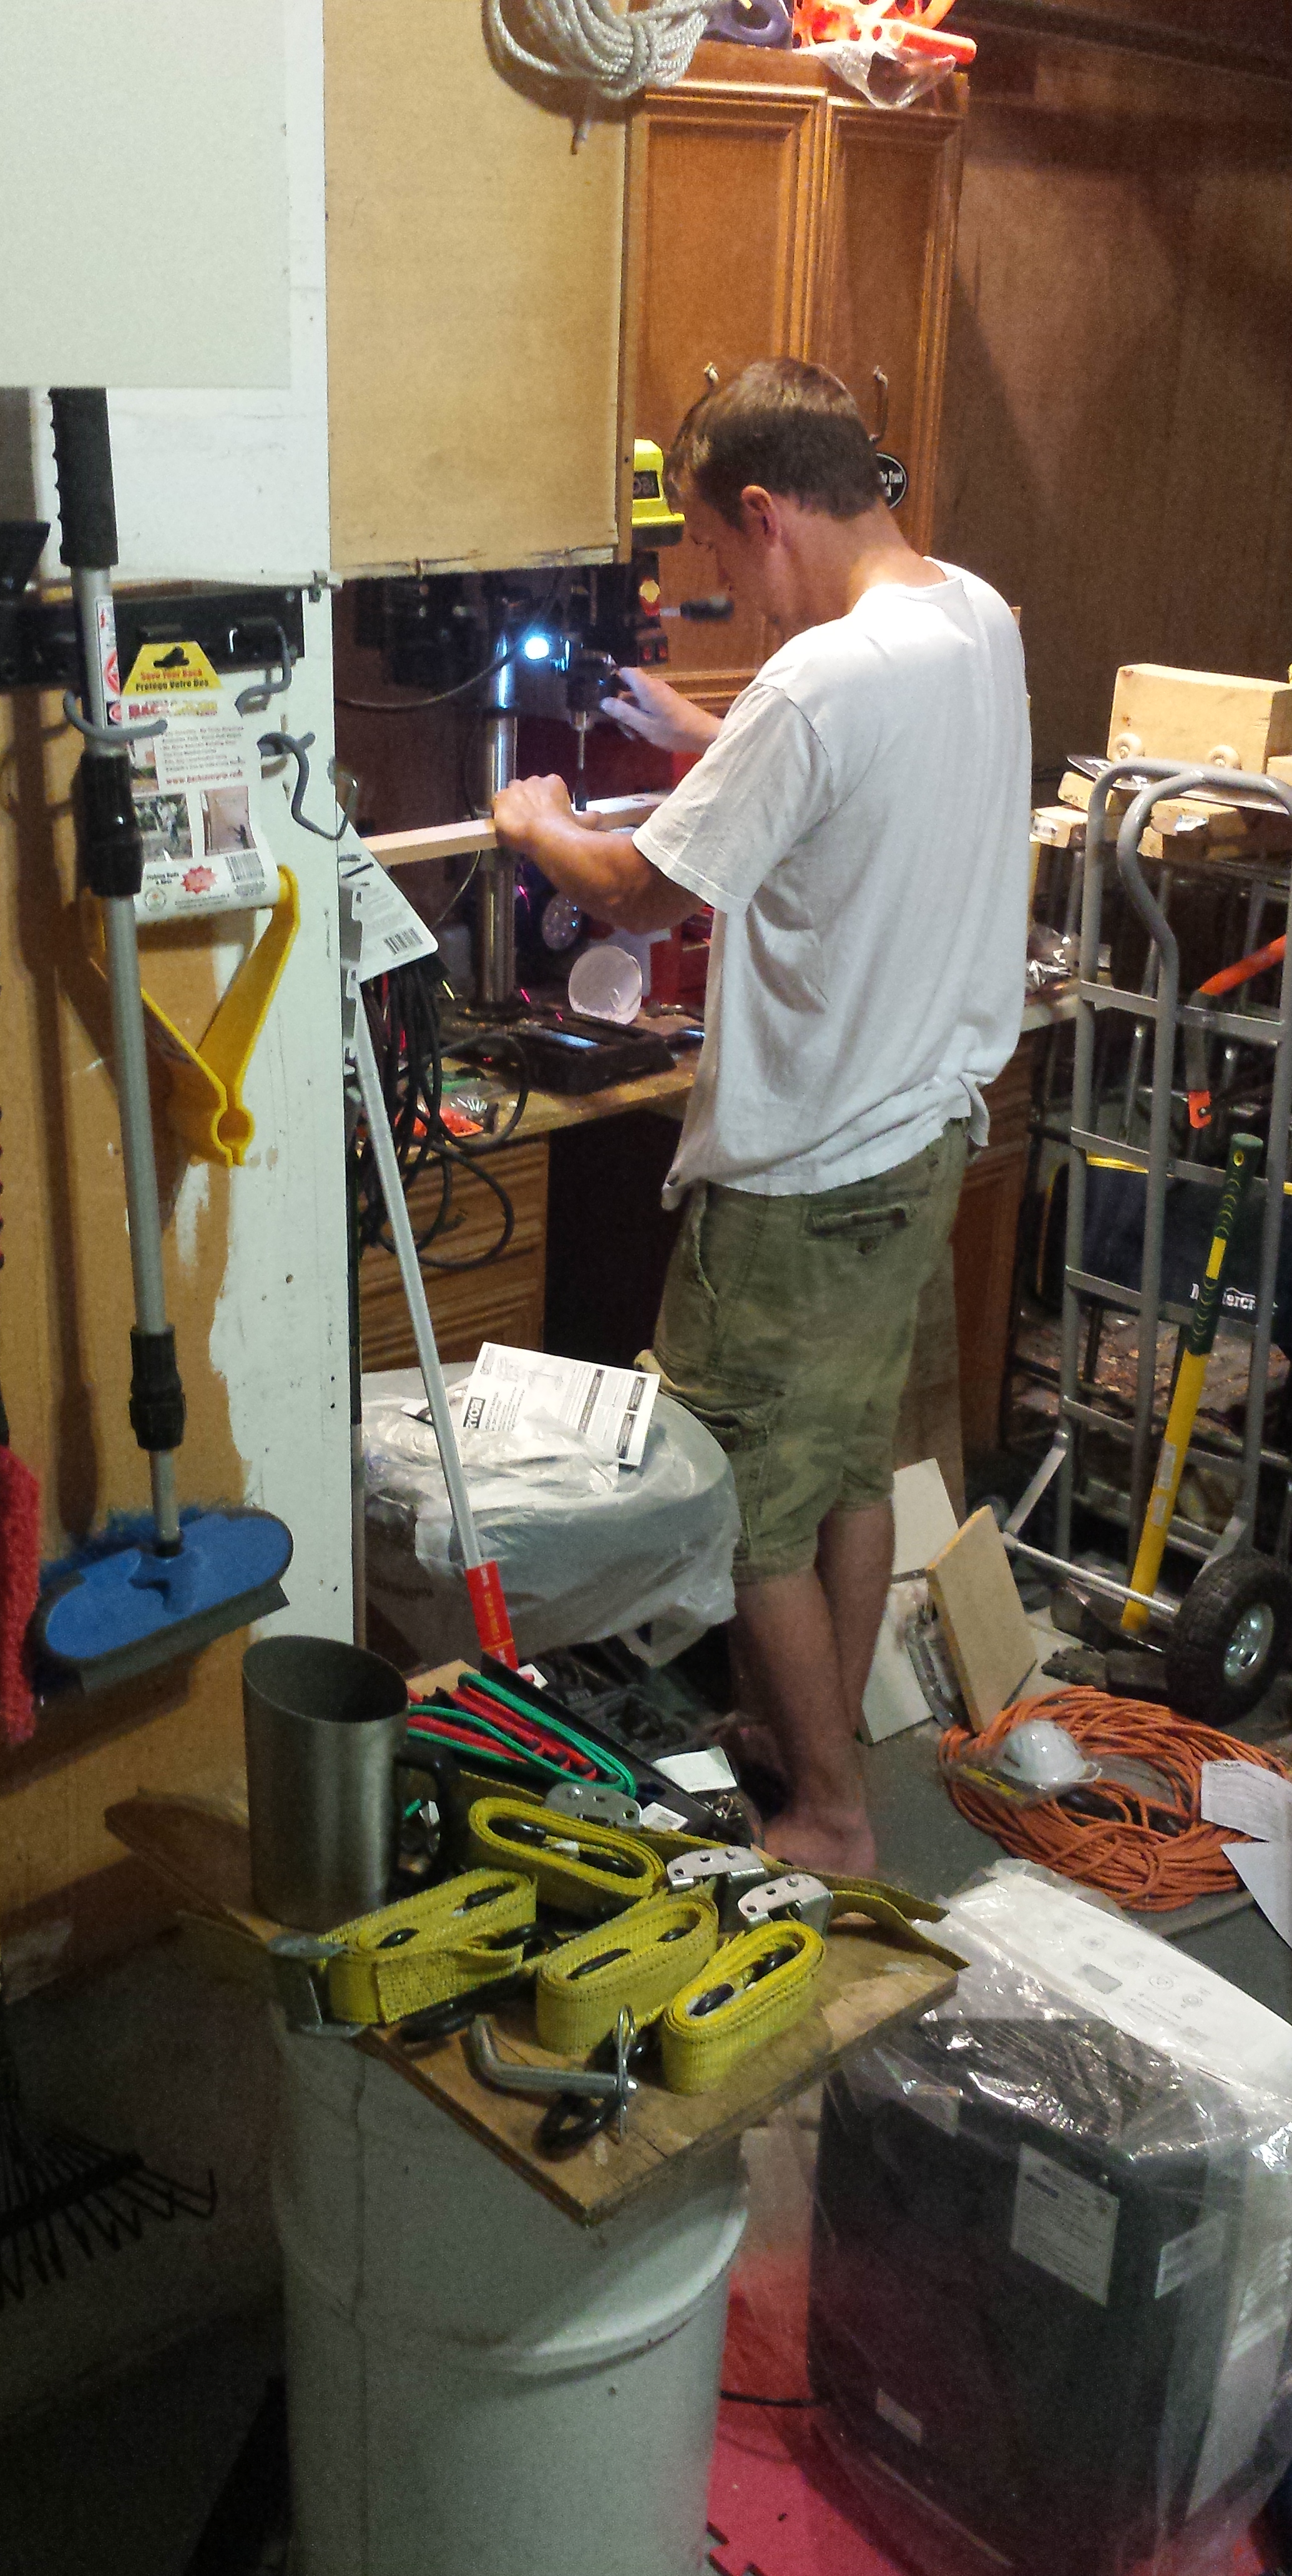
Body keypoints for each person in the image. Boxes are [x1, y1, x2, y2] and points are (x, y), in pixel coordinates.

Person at [492, 358, 1030, 1873]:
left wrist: (540, 825)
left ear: (761, 508)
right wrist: (696, 730)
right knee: (843, 1471)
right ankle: (811, 1742)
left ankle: (828, 1820)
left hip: (803, 1174)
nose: (728, 584)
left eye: (721, 549)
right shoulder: (970, 616)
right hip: (919, 1138)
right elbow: (848, 776)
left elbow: (636, 889)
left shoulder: (816, 683)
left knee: (737, 1502)